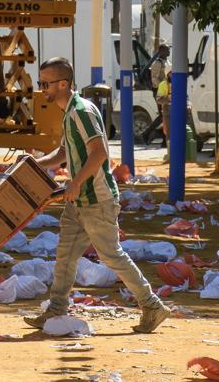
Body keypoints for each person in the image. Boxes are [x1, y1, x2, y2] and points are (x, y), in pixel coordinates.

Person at [25, 56, 171, 334]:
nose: (42, 87)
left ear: (63, 83)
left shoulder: (80, 111)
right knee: (65, 255)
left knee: (112, 255)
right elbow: (65, 152)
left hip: (97, 199)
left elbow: (99, 152)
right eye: (40, 81)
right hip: (79, 201)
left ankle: (152, 305)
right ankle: (56, 309)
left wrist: (76, 182)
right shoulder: (69, 111)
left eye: (46, 83)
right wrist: (35, 163)